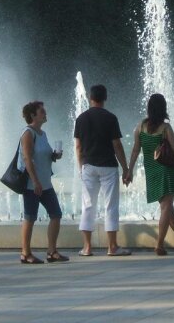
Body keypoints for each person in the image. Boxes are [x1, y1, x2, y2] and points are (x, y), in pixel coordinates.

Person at [126, 93, 174, 255]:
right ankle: (159, 245)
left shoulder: (140, 127)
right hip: (167, 170)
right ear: (163, 109)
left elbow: (135, 150)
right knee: (167, 208)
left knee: (167, 209)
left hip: (152, 171)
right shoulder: (165, 128)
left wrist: (130, 170)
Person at [74, 84, 131, 257]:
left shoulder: (81, 119)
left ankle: (87, 247)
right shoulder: (110, 118)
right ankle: (112, 247)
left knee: (88, 206)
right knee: (111, 206)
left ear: (90, 98)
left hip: (88, 166)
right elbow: (117, 145)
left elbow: (78, 146)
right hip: (108, 166)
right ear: (105, 98)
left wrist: (81, 166)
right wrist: (126, 168)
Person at [18, 101, 69, 264]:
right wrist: (35, 181)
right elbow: (27, 158)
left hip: (45, 183)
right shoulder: (28, 133)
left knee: (56, 215)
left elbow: (42, 155)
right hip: (32, 185)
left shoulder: (42, 133)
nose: (45, 114)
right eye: (42, 112)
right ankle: (25, 253)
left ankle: (52, 251)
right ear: (33, 115)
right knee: (30, 217)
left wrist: (54, 156)